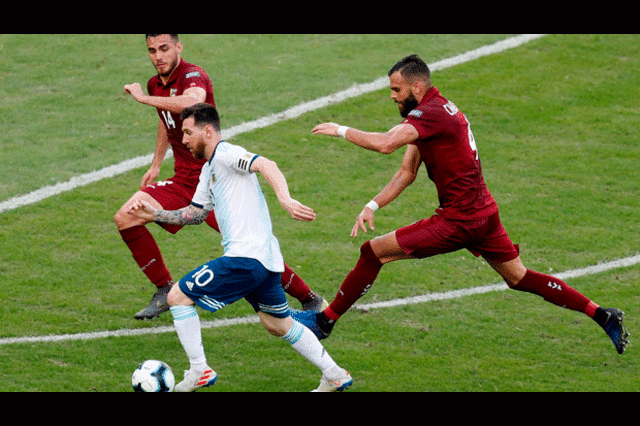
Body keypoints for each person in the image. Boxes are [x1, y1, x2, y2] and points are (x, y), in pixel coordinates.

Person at [293, 54, 629, 356]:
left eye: (396, 90)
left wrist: (341, 129)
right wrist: (372, 205)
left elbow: (386, 144)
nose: (392, 96)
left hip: (459, 220)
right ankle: (602, 314)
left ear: (416, 85)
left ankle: (325, 321)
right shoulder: (434, 114)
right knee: (518, 277)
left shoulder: (430, 115)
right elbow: (407, 172)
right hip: (484, 214)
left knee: (373, 252)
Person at [127, 103, 353, 392]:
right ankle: (334, 374)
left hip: (245, 258)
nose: (182, 141)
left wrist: (284, 199)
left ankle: (199, 370)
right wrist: (154, 215)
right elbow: (194, 213)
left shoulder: (226, 153)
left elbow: (265, 164)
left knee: (177, 296)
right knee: (276, 323)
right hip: (267, 261)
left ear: (207, 131)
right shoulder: (208, 170)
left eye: (187, 132)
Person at [115, 34, 326, 320]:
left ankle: (309, 298)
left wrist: (142, 98)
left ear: (178, 46)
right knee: (126, 216)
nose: (158, 56)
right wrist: (155, 163)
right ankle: (164, 288)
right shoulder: (156, 85)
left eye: (164, 48)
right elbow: (165, 120)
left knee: (251, 249)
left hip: (215, 184)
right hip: (183, 180)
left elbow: (191, 101)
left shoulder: (193, 76)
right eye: (152, 51)